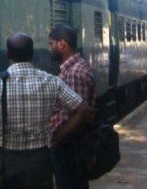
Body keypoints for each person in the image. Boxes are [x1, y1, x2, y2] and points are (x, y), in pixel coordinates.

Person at [0, 32, 90, 188]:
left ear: (9, 54)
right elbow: (82, 110)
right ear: (32, 54)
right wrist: (58, 136)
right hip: (40, 160)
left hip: (5, 159)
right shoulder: (51, 81)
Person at [49, 24, 95, 189]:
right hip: (69, 145)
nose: (50, 49)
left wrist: (57, 140)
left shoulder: (74, 72)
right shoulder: (71, 69)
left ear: (62, 44)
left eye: (51, 44)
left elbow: (79, 114)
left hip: (69, 146)